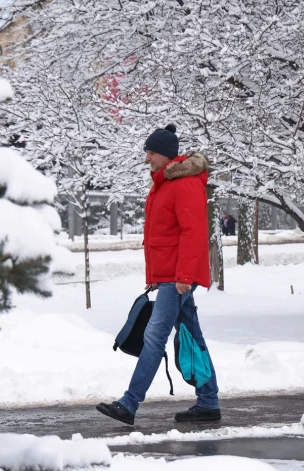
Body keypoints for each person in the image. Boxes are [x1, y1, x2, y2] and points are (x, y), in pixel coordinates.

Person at [96, 124, 220, 425]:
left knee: (154, 337)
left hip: (178, 278)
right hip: (170, 276)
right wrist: (156, 274)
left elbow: (192, 233)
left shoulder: (184, 184)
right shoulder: (164, 184)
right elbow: (162, 235)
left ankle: (129, 403)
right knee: (192, 334)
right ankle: (209, 401)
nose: (147, 159)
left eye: (150, 153)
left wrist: (183, 276)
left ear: (165, 154)